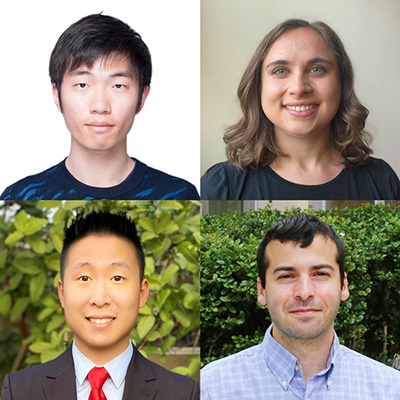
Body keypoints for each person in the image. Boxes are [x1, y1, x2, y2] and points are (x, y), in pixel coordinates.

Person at [1, 211, 199, 400]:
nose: (100, 298)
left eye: (117, 277)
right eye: (85, 278)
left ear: (142, 293)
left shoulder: (182, 393)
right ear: (62, 293)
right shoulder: (19, 390)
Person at [0, 14, 199, 201]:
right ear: (57, 94)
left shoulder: (178, 195)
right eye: (82, 85)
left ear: (142, 97)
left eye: (118, 86)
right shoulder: (19, 197)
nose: (100, 106)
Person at [201, 214, 400, 399]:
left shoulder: (390, 389)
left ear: (343, 285)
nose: (304, 292)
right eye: (286, 276)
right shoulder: (211, 389)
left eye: (320, 274)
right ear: (262, 290)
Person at [201, 19, 400, 200]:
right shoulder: (221, 186)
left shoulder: (382, 180)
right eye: (280, 71)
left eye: (317, 69)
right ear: (258, 86)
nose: (298, 88)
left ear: (342, 83)